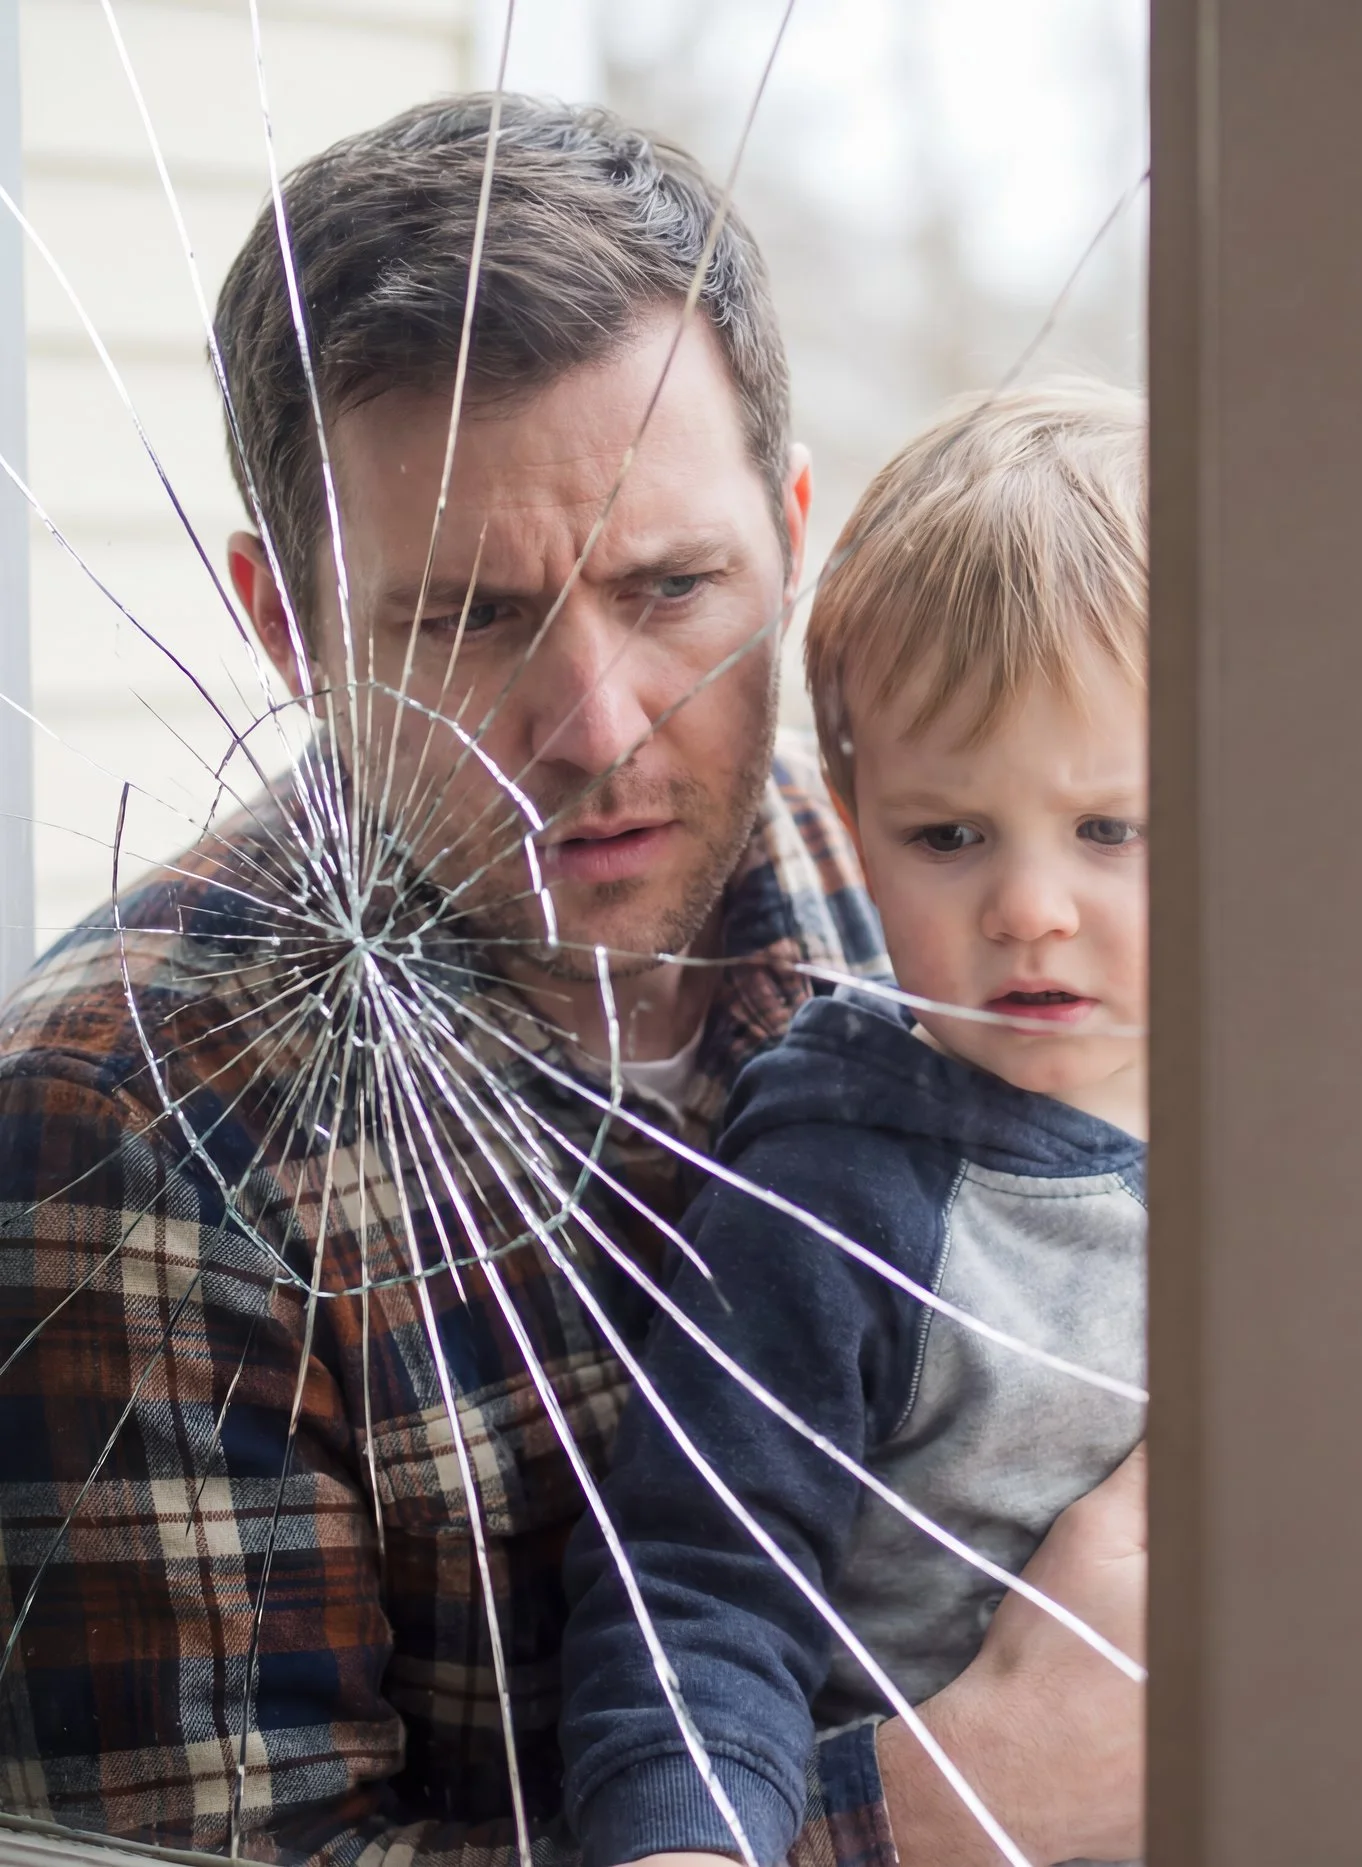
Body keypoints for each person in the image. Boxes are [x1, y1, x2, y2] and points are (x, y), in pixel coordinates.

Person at [0, 97, 1140, 1867]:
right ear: (284, 624)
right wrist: (959, 1798)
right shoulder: (126, 1124)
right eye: (463, 619)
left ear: (794, 527)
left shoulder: (925, 875)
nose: (599, 728)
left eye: (675, 586)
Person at [561, 385, 1146, 1867]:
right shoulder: (840, 1191)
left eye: (1112, 828)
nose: (1030, 908)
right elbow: (697, 1584)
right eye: (949, 835)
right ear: (852, 806)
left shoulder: (1326, 1124)